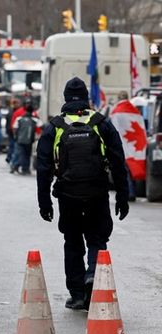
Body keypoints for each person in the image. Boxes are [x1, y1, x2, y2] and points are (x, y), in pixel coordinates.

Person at [36, 77, 129, 311]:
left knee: (73, 242)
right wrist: (122, 196)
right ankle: (92, 278)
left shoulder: (56, 126)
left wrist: (44, 202)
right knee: (97, 239)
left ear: (65, 98)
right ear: (86, 98)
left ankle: (77, 295)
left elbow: (44, 168)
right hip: (97, 193)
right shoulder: (100, 123)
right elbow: (118, 161)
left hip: (68, 195)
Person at [11, 103, 42, 175]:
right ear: (32, 111)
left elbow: (14, 127)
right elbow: (42, 126)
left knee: (20, 154)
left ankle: (16, 166)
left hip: (20, 140)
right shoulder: (34, 119)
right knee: (27, 154)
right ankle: (25, 169)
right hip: (29, 140)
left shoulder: (19, 119)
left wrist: (16, 136)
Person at [5, 99, 20, 164]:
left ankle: (10, 157)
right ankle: (9, 158)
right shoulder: (11, 112)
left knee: (13, 145)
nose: (16, 105)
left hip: (16, 131)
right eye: (15, 103)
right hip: (11, 131)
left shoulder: (15, 112)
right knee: (12, 145)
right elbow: (7, 123)